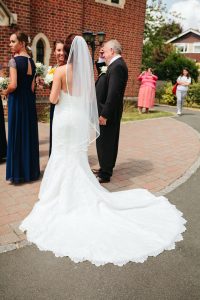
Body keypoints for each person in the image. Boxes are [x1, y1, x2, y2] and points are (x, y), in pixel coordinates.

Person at [20, 36, 186, 267]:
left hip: (63, 119)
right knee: (75, 157)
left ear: (66, 53)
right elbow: (86, 98)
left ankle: (58, 196)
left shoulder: (59, 72)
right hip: (77, 119)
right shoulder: (84, 74)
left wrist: (50, 86)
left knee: (61, 154)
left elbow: (53, 98)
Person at [1, 31, 40, 183]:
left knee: (16, 134)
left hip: (17, 101)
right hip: (29, 101)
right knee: (28, 134)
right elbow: (32, 88)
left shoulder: (14, 61)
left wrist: (5, 90)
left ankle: (17, 174)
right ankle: (31, 171)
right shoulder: (32, 61)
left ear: (22, 43)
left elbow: (13, 85)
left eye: (12, 41)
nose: (10, 44)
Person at [95, 40, 128, 183]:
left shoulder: (117, 66)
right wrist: (101, 59)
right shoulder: (115, 65)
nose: (104, 54)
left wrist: (104, 114)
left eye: (106, 51)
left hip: (108, 112)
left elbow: (114, 93)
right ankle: (105, 167)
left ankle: (105, 173)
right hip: (108, 110)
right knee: (106, 141)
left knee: (106, 142)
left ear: (112, 51)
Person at [49, 39, 65, 156]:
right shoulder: (53, 69)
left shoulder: (67, 68)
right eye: (58, 50)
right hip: (54, 105)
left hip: (65, 106)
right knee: (54, 133)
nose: (61, 53)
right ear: (54, 52)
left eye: (63, 50)